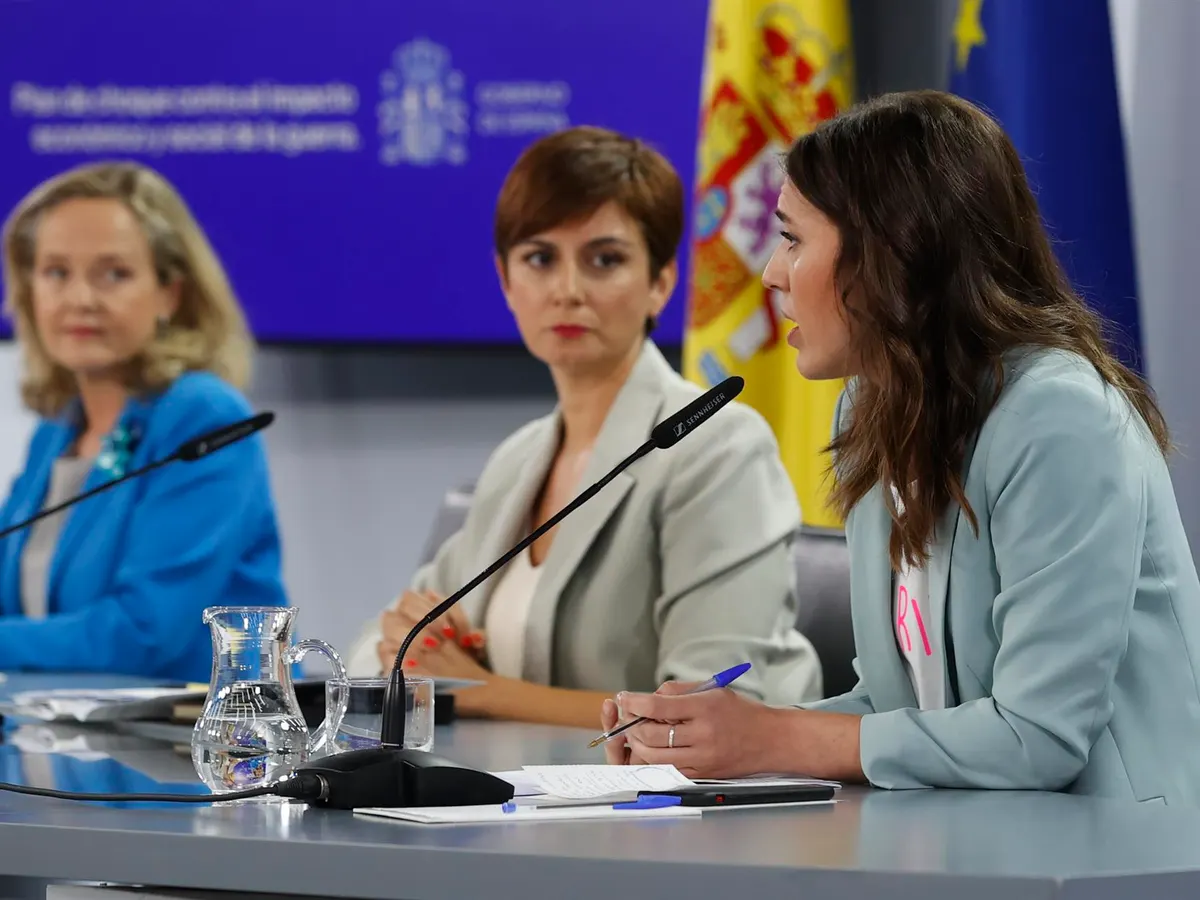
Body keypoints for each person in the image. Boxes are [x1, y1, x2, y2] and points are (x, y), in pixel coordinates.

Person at [600, 90, 1200, 806]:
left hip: (1118, 853)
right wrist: (710, 733)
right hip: (978, 840)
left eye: (792, 239)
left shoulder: (1059, 418)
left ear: (894, 252)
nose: (770, 273)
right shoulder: (873, 403)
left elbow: (1037, 737)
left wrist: (771, 737)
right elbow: (899, 714)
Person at [346, 125, 822, 727]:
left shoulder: (718, 445)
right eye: (540, 259)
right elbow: (377, 649)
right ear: (506, 282)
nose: (568, 291)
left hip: (668, 817)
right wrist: (405, 645)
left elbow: (715, 708)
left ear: (661, 283)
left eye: (605, 259)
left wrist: (480, 691)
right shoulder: (518, 461)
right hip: (517, 808)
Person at [0, 161, 288, 682]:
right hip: (58, 740)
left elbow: (143, 633)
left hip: (197, 749)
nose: (80, 299)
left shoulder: (204, 417)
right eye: (56, 272)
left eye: (114, 273)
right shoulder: (57, 432)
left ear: (169, 294)